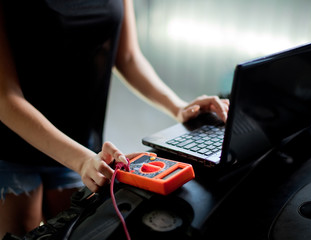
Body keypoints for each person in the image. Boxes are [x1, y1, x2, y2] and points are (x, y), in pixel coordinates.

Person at [0, 0, 229, 238]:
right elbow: (5, 98)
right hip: (13, 146)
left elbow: (128, 57)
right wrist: (82, 162)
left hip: (82, 144)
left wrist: (179, 107)